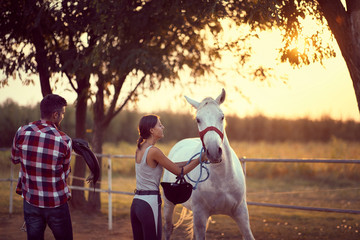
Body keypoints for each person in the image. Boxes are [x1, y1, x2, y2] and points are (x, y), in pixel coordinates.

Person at [130, 114, 207, 240]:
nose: (163, 127)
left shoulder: (140, 149)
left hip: (137, 203)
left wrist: (192, 160)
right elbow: (179, 172)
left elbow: (171, 165)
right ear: (152, 130)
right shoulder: (154, 151)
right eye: (160, 125)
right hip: (149, 204)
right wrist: (199, 160)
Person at [11, 94, 73, 240]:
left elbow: (14, 159)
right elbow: (65, 173)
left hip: (31, 201)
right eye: (62, 113)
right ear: (55, 114)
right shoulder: (65, 140)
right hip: (56, 203)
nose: (63, 116)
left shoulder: (22, 132)